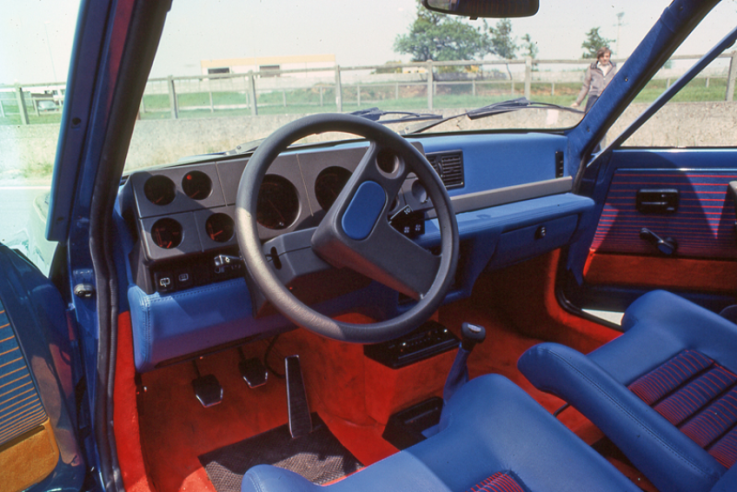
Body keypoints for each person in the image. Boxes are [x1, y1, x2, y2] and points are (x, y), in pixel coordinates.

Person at [572, 47, 616, 112]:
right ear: (598, 57)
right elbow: (586, 86)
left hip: (608, 96)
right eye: (602, 57)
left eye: (607, 56)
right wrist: (578, 102)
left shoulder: (613, 68)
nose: (604, 59)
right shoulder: (592, 68)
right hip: (594, 96)